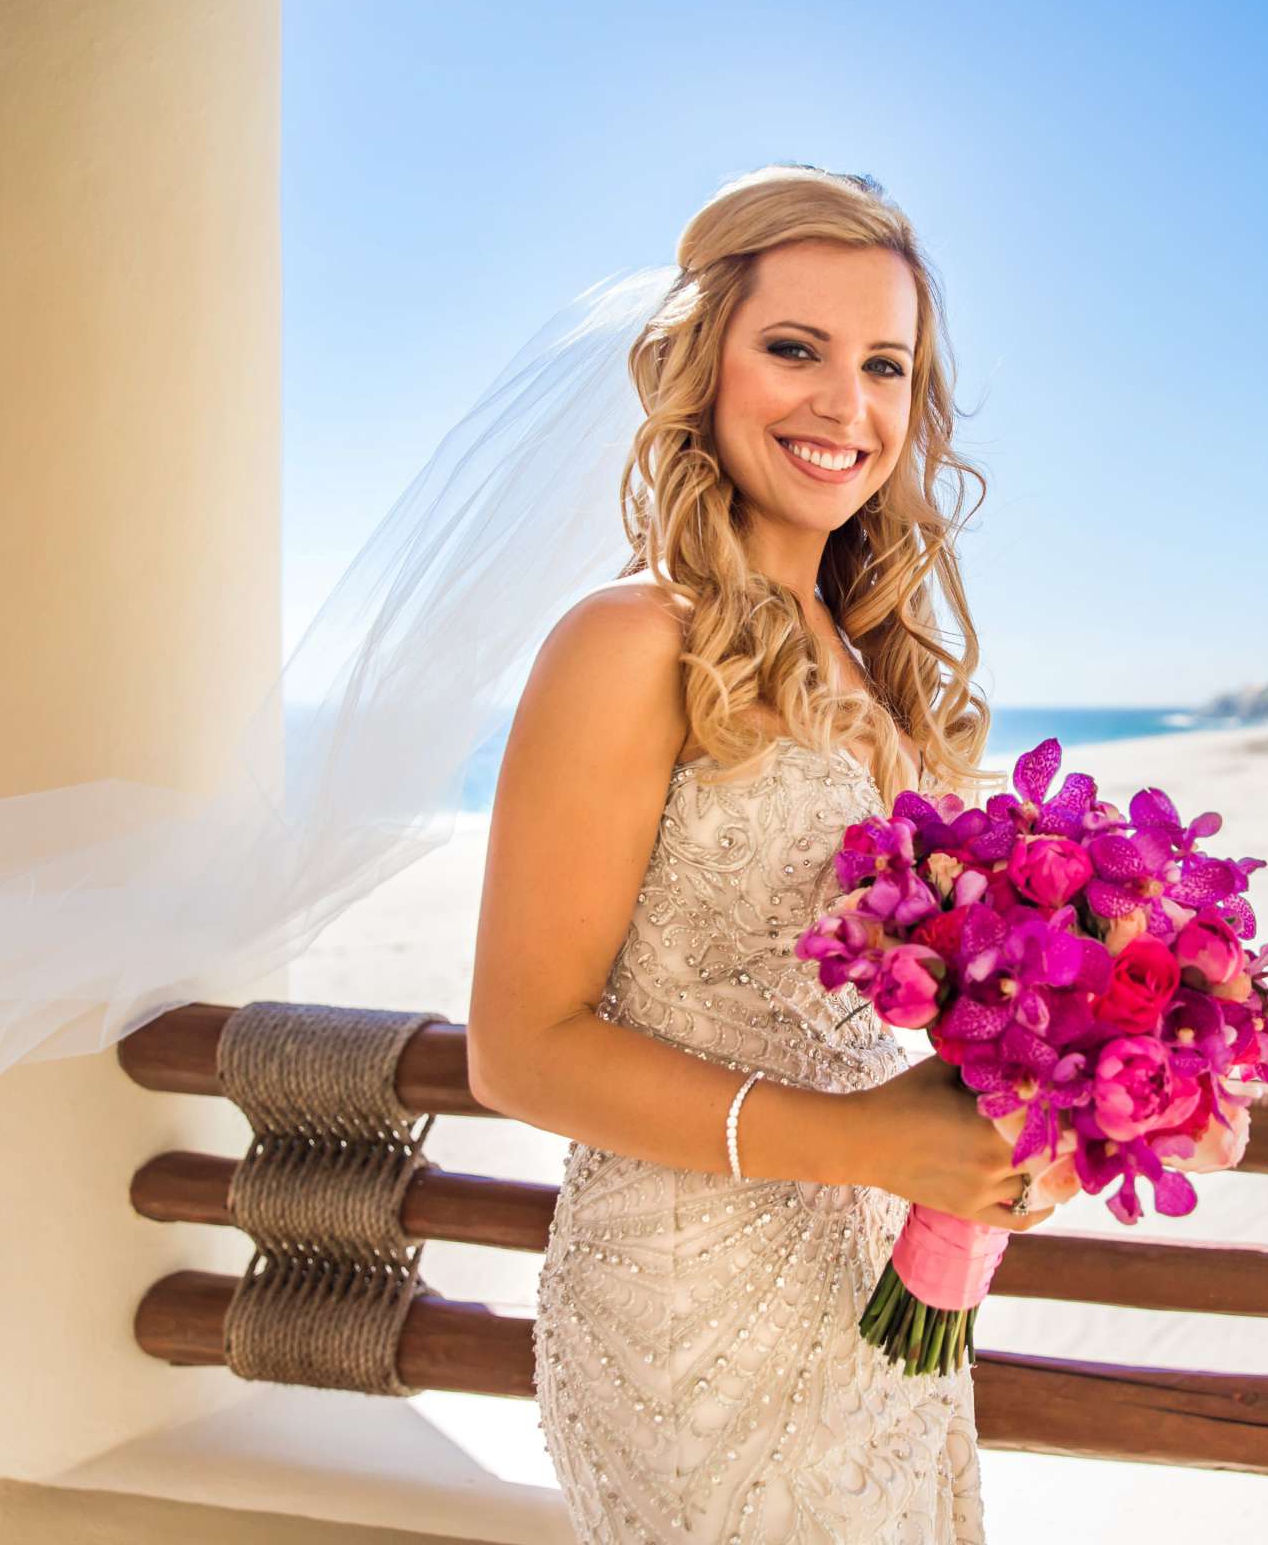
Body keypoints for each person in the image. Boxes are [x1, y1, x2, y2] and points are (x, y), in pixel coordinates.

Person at [467, 165, 1052, 1543]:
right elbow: (519, 1047)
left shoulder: (878, 667)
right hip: (690, 1313)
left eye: (885, 365)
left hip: (874, 1294)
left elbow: (874, 1014)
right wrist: (865, 1139)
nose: (845, 406)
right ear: (699, 366)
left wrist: (1050, 1091)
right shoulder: (628, 643)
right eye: (795, 348)